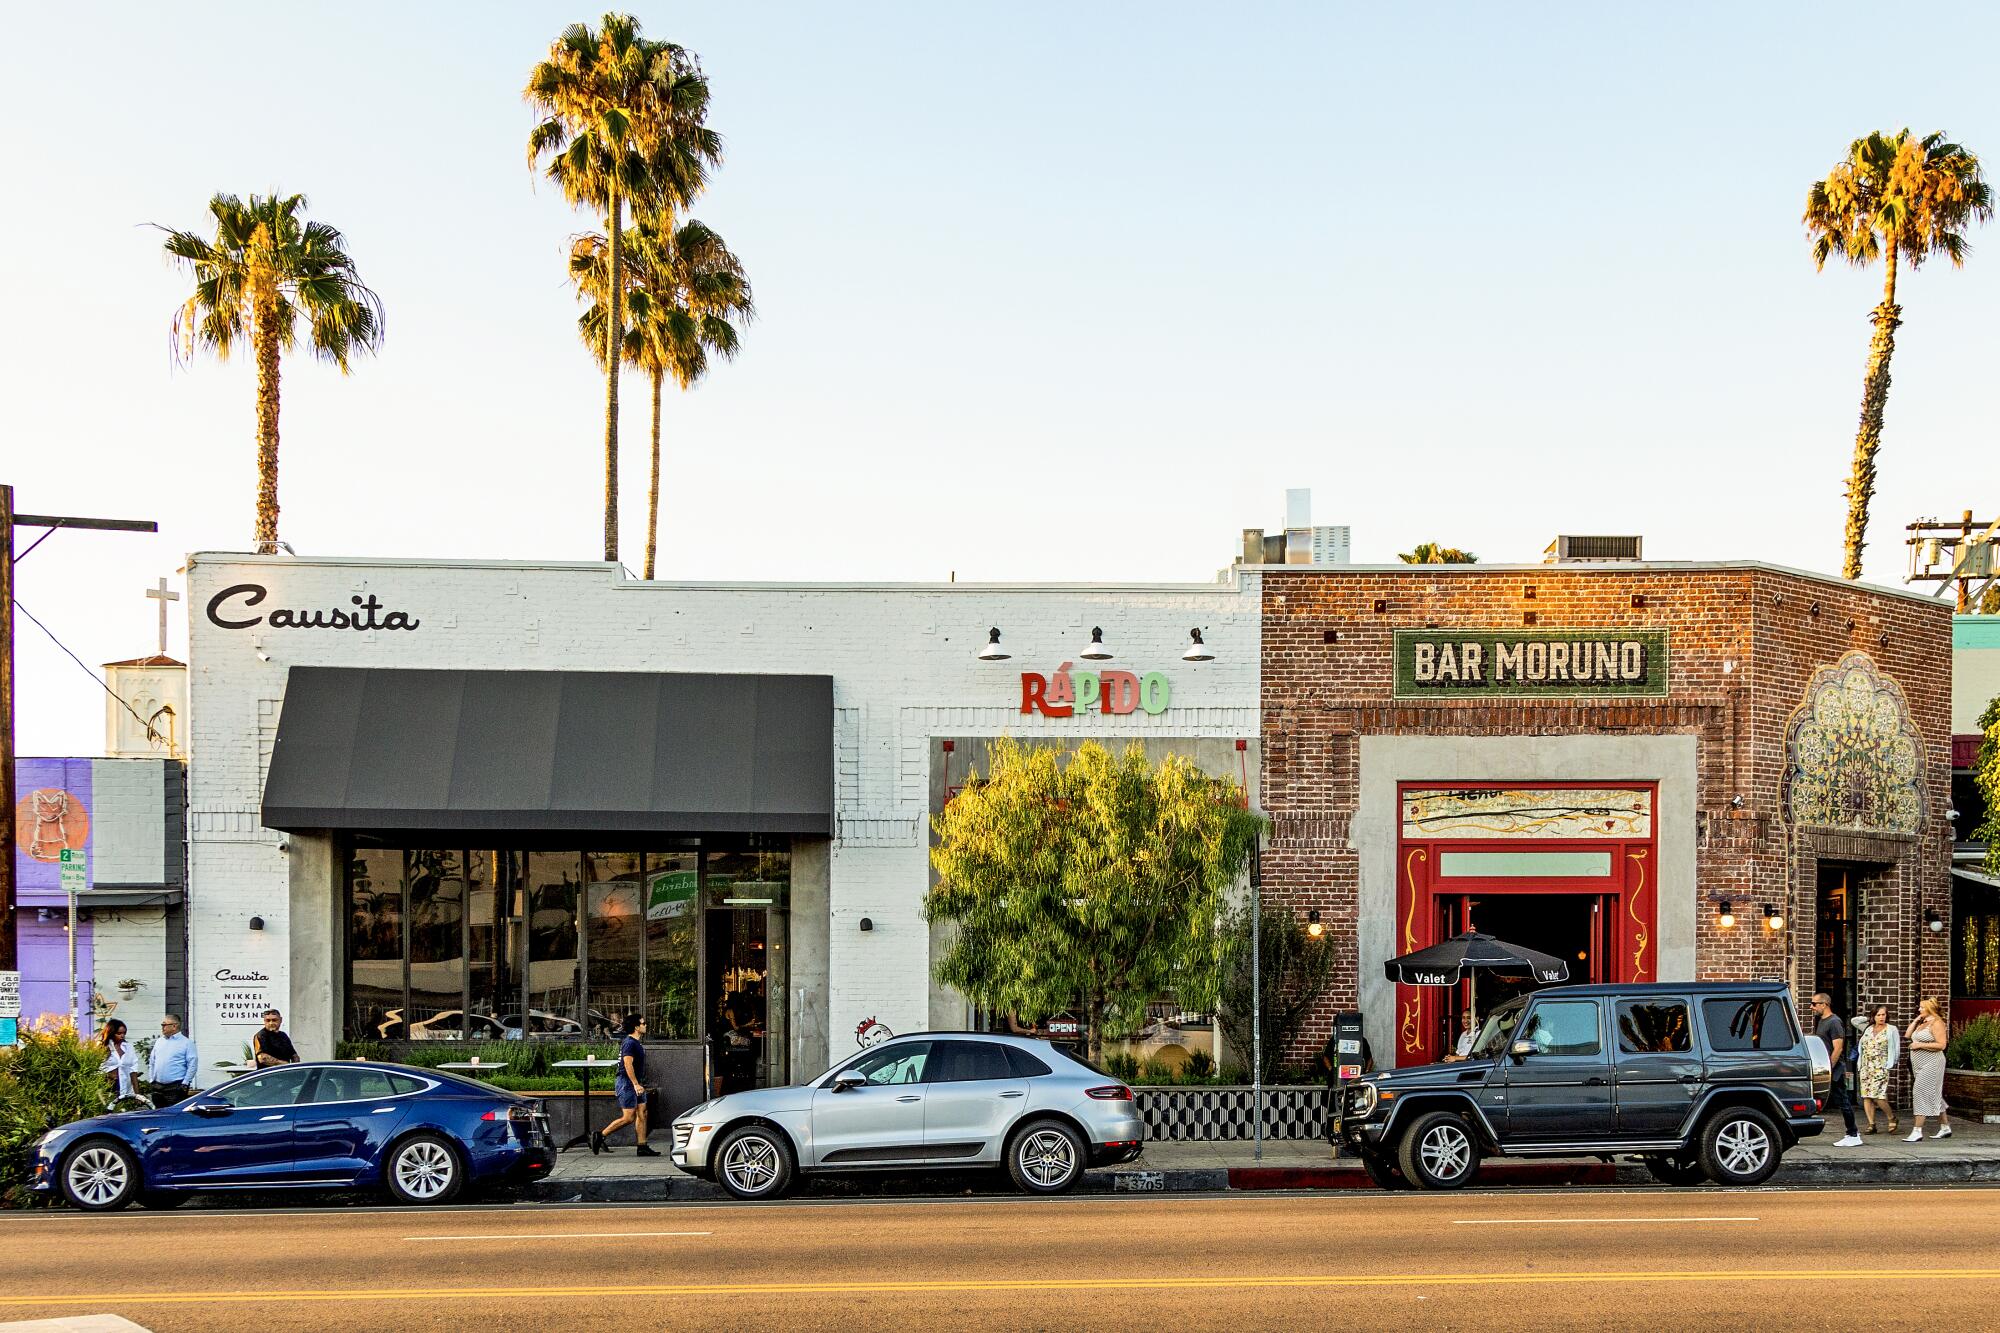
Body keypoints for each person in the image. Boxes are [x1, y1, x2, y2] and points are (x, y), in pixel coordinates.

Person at [593, 1014, 659, 1156]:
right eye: (643, 1023)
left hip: (635, 1083)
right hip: (627, 1083)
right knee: (629, 1117)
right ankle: (600, 1135)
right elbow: (627, 1064)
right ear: (636, 1027)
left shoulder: (636, 1042)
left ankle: (642, 1146)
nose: (645, 1025)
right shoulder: (629, 1043)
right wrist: (635, 1084)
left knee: (643, 1112)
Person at [1810, 992, 1861, 1147]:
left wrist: (1829, 1068)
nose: (1811, 1007)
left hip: (1834, 1068)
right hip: (1824, 1066)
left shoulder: (1834, 1022)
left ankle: (1853, 1134)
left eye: (1814, 1004)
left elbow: (1838, 1048)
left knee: (1843, 1100)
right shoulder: (1821, 1021)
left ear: (1824, 1004)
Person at [1906, 997, 1951, 1142]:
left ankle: (1917, 1131)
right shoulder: (1923, 1022)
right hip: (1919, 1064)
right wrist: (1916, 1020)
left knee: (1919, 1091)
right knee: (1933, 1095)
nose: (1919, 1009)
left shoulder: (1937, 1023)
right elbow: (1907, 1035)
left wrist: (1919, 1045)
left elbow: (1942, 1045)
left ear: (1930, 1009)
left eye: (1921, 1008)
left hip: (1933, 1063)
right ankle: (1945, 1128)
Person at [1857, 1005, 1899, 1134]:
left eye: (1883, 1015)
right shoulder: (1868, 1029)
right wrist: (1868, 1019)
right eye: (1878, 1015)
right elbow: (1855, 1020)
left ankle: (1891, 1117)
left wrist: (1891, 1064)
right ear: (1873, 1016)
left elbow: (1896, 1049)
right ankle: (1871, 1124)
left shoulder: (1891, 1029)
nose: (1881, 1017)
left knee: (1878, 1096)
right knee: (1867, 1096)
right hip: (1866, 1066)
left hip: (1880, 1066)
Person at [147, 1014, 199, 1108]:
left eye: (164, 1025)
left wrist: (185, 1083)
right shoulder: (159, 1041)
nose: (162, 1028)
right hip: (157, 1086)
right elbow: (152, 1062)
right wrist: (151, 1079)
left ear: (174, 1026)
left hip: (176, 1086)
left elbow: (192, 1064)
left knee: (173, 1114)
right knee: (158, 1113)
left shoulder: (186, 1043)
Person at [99, 1019, 137, 1101]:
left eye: (124, 1033)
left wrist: (137, 1094)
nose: (122, 1036)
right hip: (108, 1088)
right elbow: (96, 1069)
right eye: (119, 1033)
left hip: (125, 1087)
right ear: (111, 1033)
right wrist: (109, 1075)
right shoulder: (104, 1047)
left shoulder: (128, 1047)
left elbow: (133, 1070)